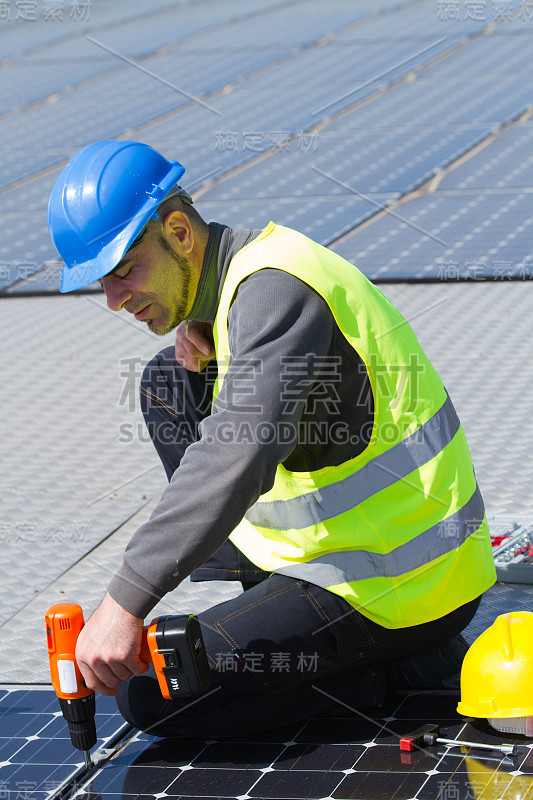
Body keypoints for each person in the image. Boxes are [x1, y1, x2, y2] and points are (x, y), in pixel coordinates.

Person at [47, 140, 497, 739]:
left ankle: (390, 673)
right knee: (167, 381)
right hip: (341, 561)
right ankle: (271, 601)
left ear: (179, 231)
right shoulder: (243, 283)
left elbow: (237, 452)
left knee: (151, 695)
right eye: (101, 283)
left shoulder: (278, 290)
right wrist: (204, 344)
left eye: (124, 270)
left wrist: (124, 602)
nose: (113, 300)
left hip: (402, 584)